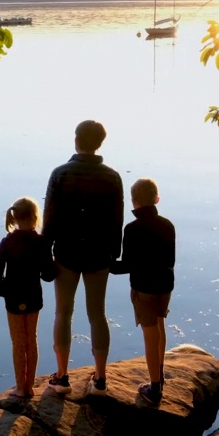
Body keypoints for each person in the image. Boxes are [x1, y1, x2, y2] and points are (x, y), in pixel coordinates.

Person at [42, 120, 124, 397]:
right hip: (99, 254)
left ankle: (62, 377)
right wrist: (114, 255)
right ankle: (100, 380)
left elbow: (50, 219)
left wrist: (45, 255)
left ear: (76, 139)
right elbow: (117, 221)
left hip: (66, 252)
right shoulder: (112, 177)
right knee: (97, 314)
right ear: (100, 143)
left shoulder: (60, 174)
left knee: (62, 313)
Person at [112, 177, 176, 404]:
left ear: (134, 201)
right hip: (165, 285)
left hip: (144, 287)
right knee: (160, 325)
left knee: (150, 334)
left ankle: (155, 388)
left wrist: (108, 264)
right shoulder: (168, 225)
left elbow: (126, 265)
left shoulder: (132, 229)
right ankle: (159, 373)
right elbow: (171, 259)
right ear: (157, 199)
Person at [0, 196, 56, 399]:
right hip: (34, 297)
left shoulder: (7, 242)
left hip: (13, 298)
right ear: (36, 217)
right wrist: (53, 260)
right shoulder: (40, 243)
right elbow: (48, 275)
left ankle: (20, 387)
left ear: (15, 218)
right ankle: (30, 386)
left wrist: (3, 291)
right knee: (31, 341)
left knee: (18, 343)